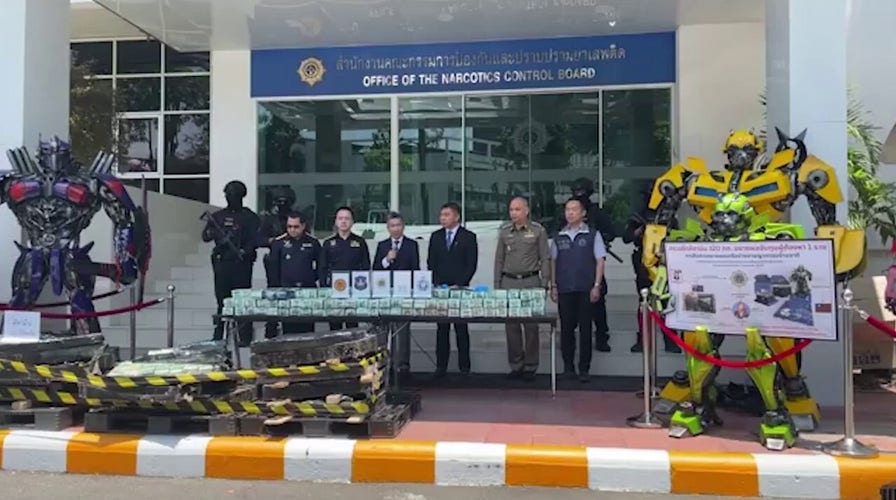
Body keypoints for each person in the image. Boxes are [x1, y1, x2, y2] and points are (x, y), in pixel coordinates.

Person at [550, 198, 607, 383]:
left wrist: (597, 285)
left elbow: (600, 261)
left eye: (574, 209)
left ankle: (584, 368)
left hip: (586, 288)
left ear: (583, 213)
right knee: (566, 329)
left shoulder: (592, 234)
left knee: (585, 329)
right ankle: (568, 367)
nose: (570, 213)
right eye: (567, 209)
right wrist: (553, 285)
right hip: (565, 288)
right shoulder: (559, 236)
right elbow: (553, 262)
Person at [494, 196, 550, 382]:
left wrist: (545, 283)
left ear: (526, 211)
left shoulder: (538, 230)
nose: (514, 213)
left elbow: (545, 257)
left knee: (531, 326)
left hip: (530, 281)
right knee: (511, 326)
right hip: (509, 281)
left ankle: (531, 366)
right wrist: (497, 284)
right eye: (511, 209)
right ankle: (516, 364)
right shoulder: (504, 232)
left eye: (517, 209)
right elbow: (499, 259)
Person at [624, 181, 680, 354]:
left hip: (664, 261)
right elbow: (627, 237)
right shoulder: (639, 214)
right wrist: (641, 231)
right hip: (643, 261)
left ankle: (671, 340)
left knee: (666, 301)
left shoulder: (668, 215)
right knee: (644, 301)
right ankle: (643, 340)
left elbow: (677, 236)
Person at [201, 180, 260, 346]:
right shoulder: (218, 216)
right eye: (228, 195)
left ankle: (244, 335)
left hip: (241, 264)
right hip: (223, 262)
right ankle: (219, 334)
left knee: (242, 300)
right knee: (222, 300)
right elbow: (205, 236)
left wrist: (245, 251)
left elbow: (255, 239)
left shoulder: (249, 217)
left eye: (233, 195)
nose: (230, 197)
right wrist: (216, 234)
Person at [427, 202, 478, 379]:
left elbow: (471, 264)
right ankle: (441, 366)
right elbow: (431, 262)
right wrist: (436, 283)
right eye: (441, 215)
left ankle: (464, 367)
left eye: (447, 215)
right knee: (442, 328)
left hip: (460, 288)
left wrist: (460, 283)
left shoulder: (468, 237)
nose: (443, 218)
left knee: (461, 328)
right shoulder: (436, 237)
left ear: (457, 217)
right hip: (440, 288)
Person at [373, 212, 420, 382]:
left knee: (402, 331)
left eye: (398, 225)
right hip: (385, 293)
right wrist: (387, 259)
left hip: (404, 293)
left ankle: (402, 366)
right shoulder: (382, 245)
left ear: (403, 226)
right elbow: (376, 269)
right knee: (383, 330)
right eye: (392, 226)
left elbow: (416, 268)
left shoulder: (412, 245)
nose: (396, 229)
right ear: (388, 228)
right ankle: (384, 366)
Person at [570, 177, 615, 352]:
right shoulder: (569, 212)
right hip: (573, 263)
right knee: (571, 303)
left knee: (598, 303)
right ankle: (570, 337)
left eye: (582, 192)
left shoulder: (597, 213)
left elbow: (610, 233)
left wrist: (597, 238)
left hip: (593, 263)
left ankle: (602, 337)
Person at [319, 206, 371, 331]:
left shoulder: (360, 242)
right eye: (340, 218)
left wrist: (363, 288)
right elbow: (322, 267)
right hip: (334, 290)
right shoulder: (328, 243)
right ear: (336, 221)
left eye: (347, 218)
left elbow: (366, 266)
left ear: (352, 222)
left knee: (352, 326)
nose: (343, 221)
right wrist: (324, 288)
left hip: (353, 290)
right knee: (335, 326)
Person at [269, 212, 320, 336]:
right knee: (289, 331)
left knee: (307, 331)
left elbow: (321, 265)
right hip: (286, 291)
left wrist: (311, 277)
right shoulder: (279, 243)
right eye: (289, 226)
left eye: (296, 226)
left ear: (303, 226)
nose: (292, 229)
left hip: (307, 291)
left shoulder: (313, 242)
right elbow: (273, 269)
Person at [258, 186, 297, 338]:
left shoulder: (295, 219)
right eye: (279, 201)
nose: (282, 204)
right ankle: (271, 328)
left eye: (285, 201)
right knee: (273, 293)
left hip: (292, 260)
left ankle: (290, 328)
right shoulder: (270, 220)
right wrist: (271, 240)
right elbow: (259, 239)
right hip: (274, 261)